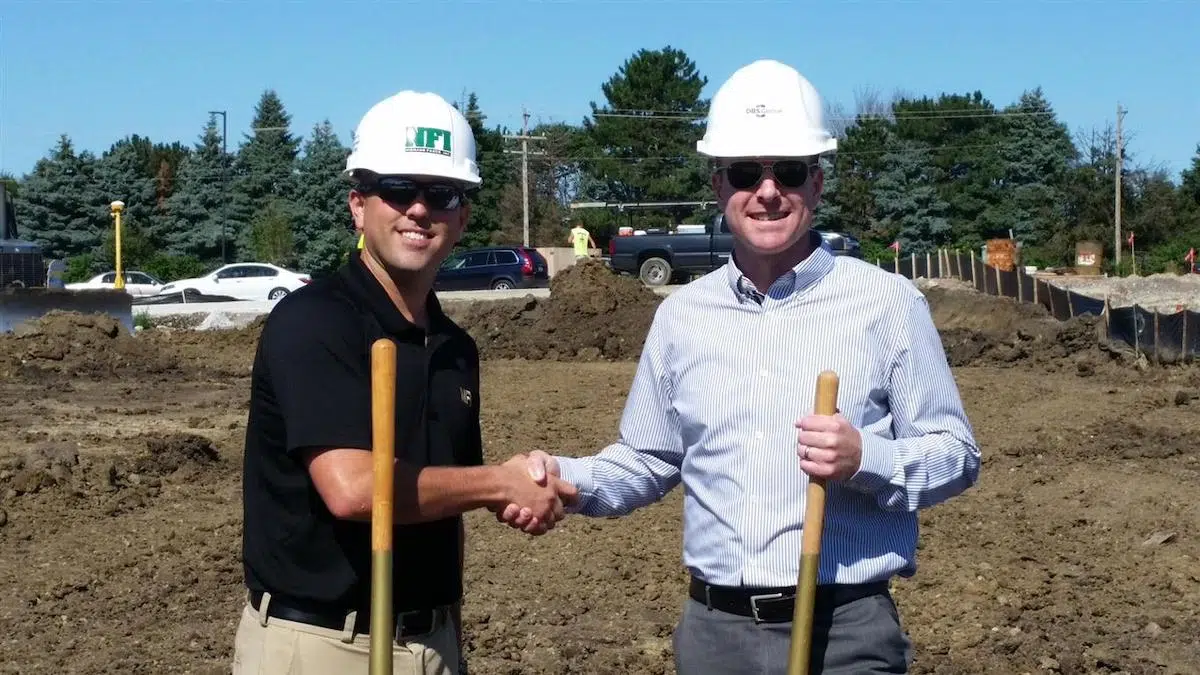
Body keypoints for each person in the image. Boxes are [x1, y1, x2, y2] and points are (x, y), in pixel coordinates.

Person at [497, 59, 981, 673]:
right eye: (747, 173)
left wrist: (867, 459)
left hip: (845, 634)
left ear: (817, 184)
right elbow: (649, 459)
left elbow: (956, 454)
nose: (768, 191)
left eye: (790, 172)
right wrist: (563, 478)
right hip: (717, 636)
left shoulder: (887, 304)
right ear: (720, 185)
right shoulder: (682, 316)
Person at [234, 89, 579, 675]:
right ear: (358, 205)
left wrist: (453, 637)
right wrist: (501, 483)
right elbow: (353, 490)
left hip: (431, 641)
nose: (419, 209)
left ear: (462, 217)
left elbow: (447, 506)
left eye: (442, 194)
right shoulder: (315, 321)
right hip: (321, 645)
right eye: (397, 189)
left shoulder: (454, 348)